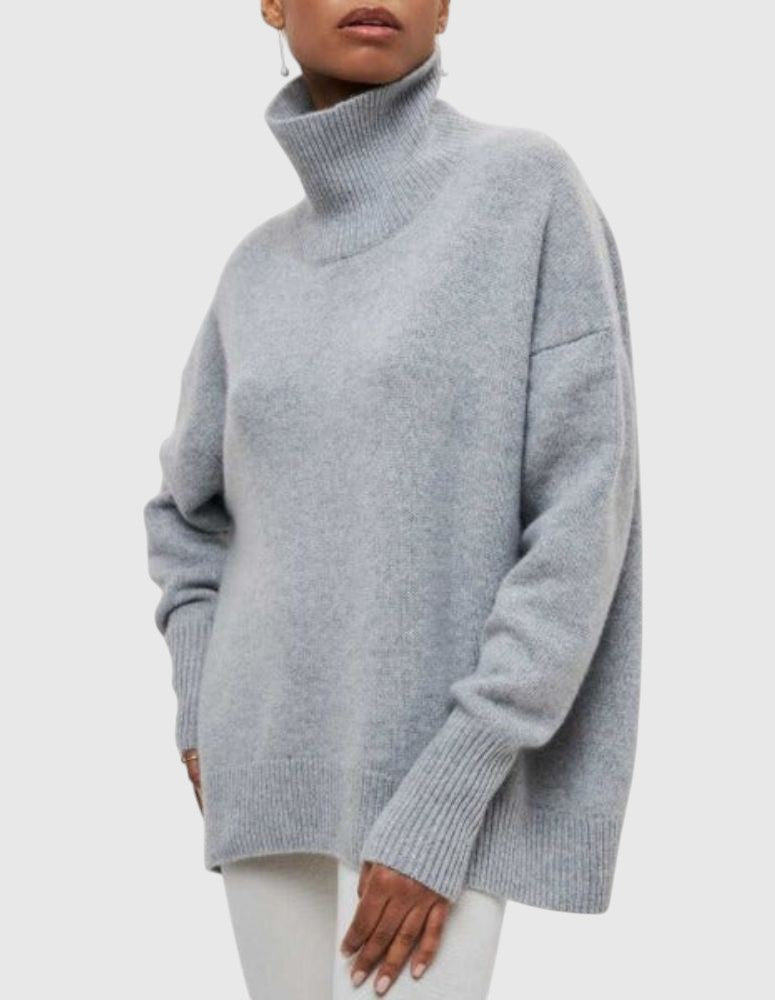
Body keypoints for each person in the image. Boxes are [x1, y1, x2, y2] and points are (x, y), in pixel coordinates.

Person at [142, 2, 643, 997]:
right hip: (261, 775)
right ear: (272, 3)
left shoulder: (521, 188)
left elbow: (582, 520)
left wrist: (449, 791)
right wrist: (201, 712)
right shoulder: (254, 270)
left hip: (440, 783)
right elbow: (187, 518)